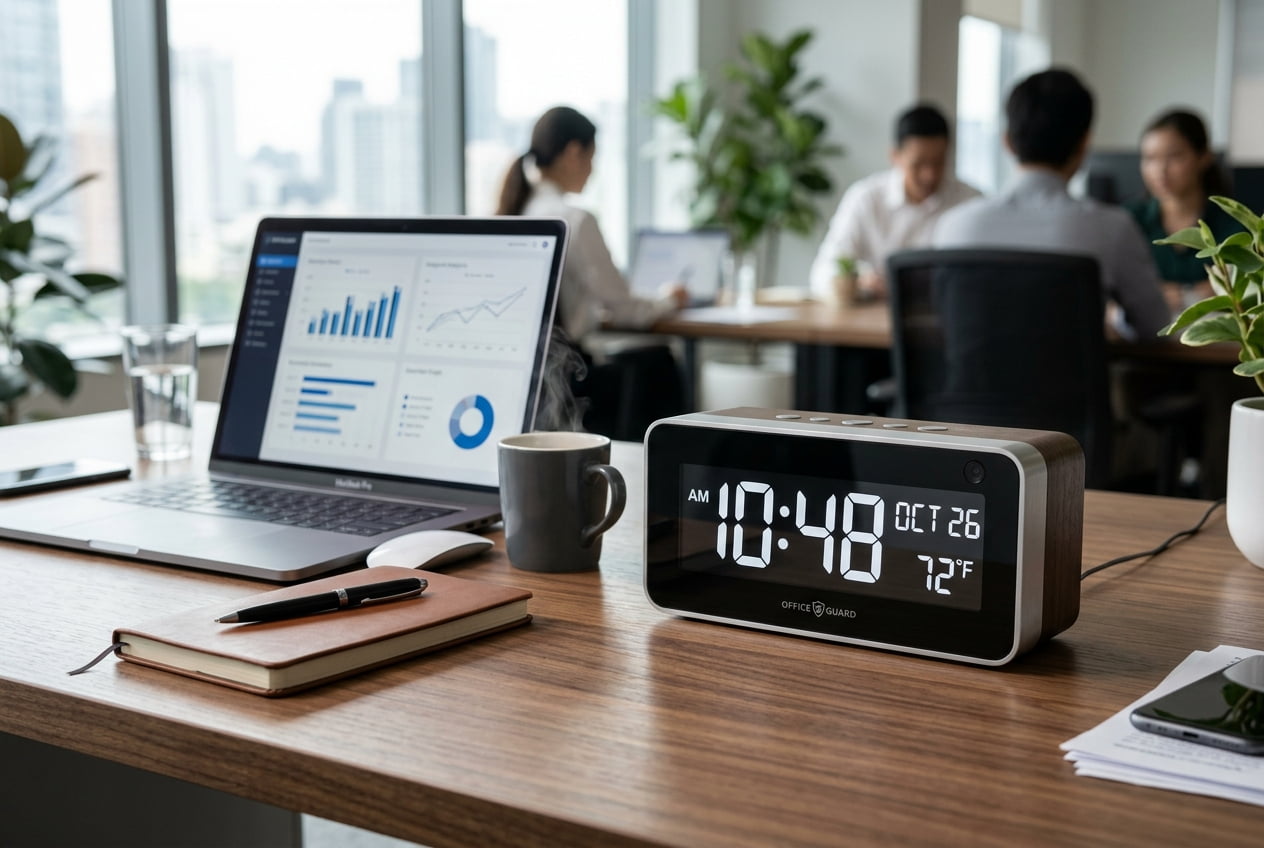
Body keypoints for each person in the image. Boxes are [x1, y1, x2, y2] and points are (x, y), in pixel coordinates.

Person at [933, 68, 1170, 341]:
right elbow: (1156, 326)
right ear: (1084, 145)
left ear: (1007, 142)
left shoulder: (952, 227)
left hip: (963, 384)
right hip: (1070, 384)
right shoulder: (1111, 228)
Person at [496, 106, 687, 437]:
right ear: (573, 152)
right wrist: (669, 300)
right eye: (592, 158)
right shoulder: (575, 220)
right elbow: (628, 311)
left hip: (527, 383)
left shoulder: (512, 212)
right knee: (661, 362)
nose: (592, 170)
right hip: (572, 380)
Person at [808, 103, 980, 303]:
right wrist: (860, 282)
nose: (929, 175)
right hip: (873, 321)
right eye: (919, 164)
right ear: (895, 156)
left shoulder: (971, 202)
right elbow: (823, 272)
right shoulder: (866, 198)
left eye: (939, 162)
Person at [1128, 109, 1237, 312]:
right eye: (1150, 158)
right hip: (1144, 339)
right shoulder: (1127, 220)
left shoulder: (1234, 223)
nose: (1160, 170)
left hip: (1219, 339)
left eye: (1174, 157)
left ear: (1203, 157)